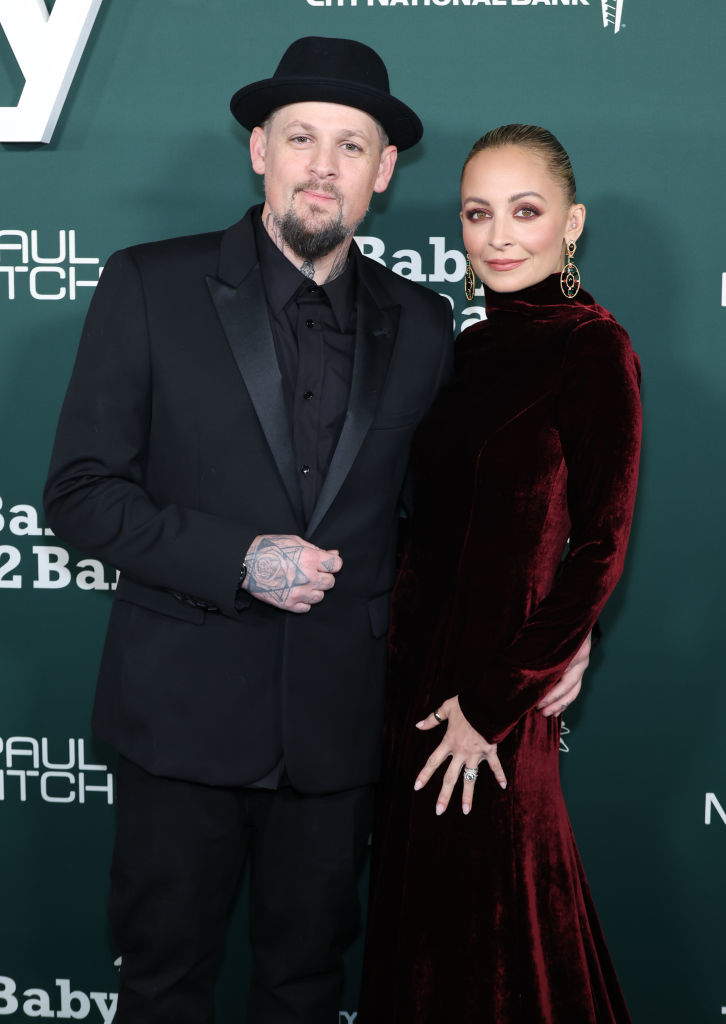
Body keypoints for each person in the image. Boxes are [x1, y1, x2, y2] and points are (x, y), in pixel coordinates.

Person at [43, 36, 588, 1021]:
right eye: (301, 138)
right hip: (180, 729)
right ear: (260, 150)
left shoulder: (425, 323)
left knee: (304, 990)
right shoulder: (148, 285)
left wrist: (554, 625)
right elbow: (79, 492)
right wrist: (239, 556)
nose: (321, 166)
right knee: (163, 986)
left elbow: (464, 519)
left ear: (383, 172)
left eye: (350, 146)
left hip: (341, 735)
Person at [359, 124, 641, 1024]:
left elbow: (601, 545)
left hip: (496, 704)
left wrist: (496, 699)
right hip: (414, 692)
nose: (499, 235)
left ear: (573, 224)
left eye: (527, 212)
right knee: (426, 949)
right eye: (479, 213)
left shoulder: (593, 347)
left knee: (505, 946)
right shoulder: (462, 350)